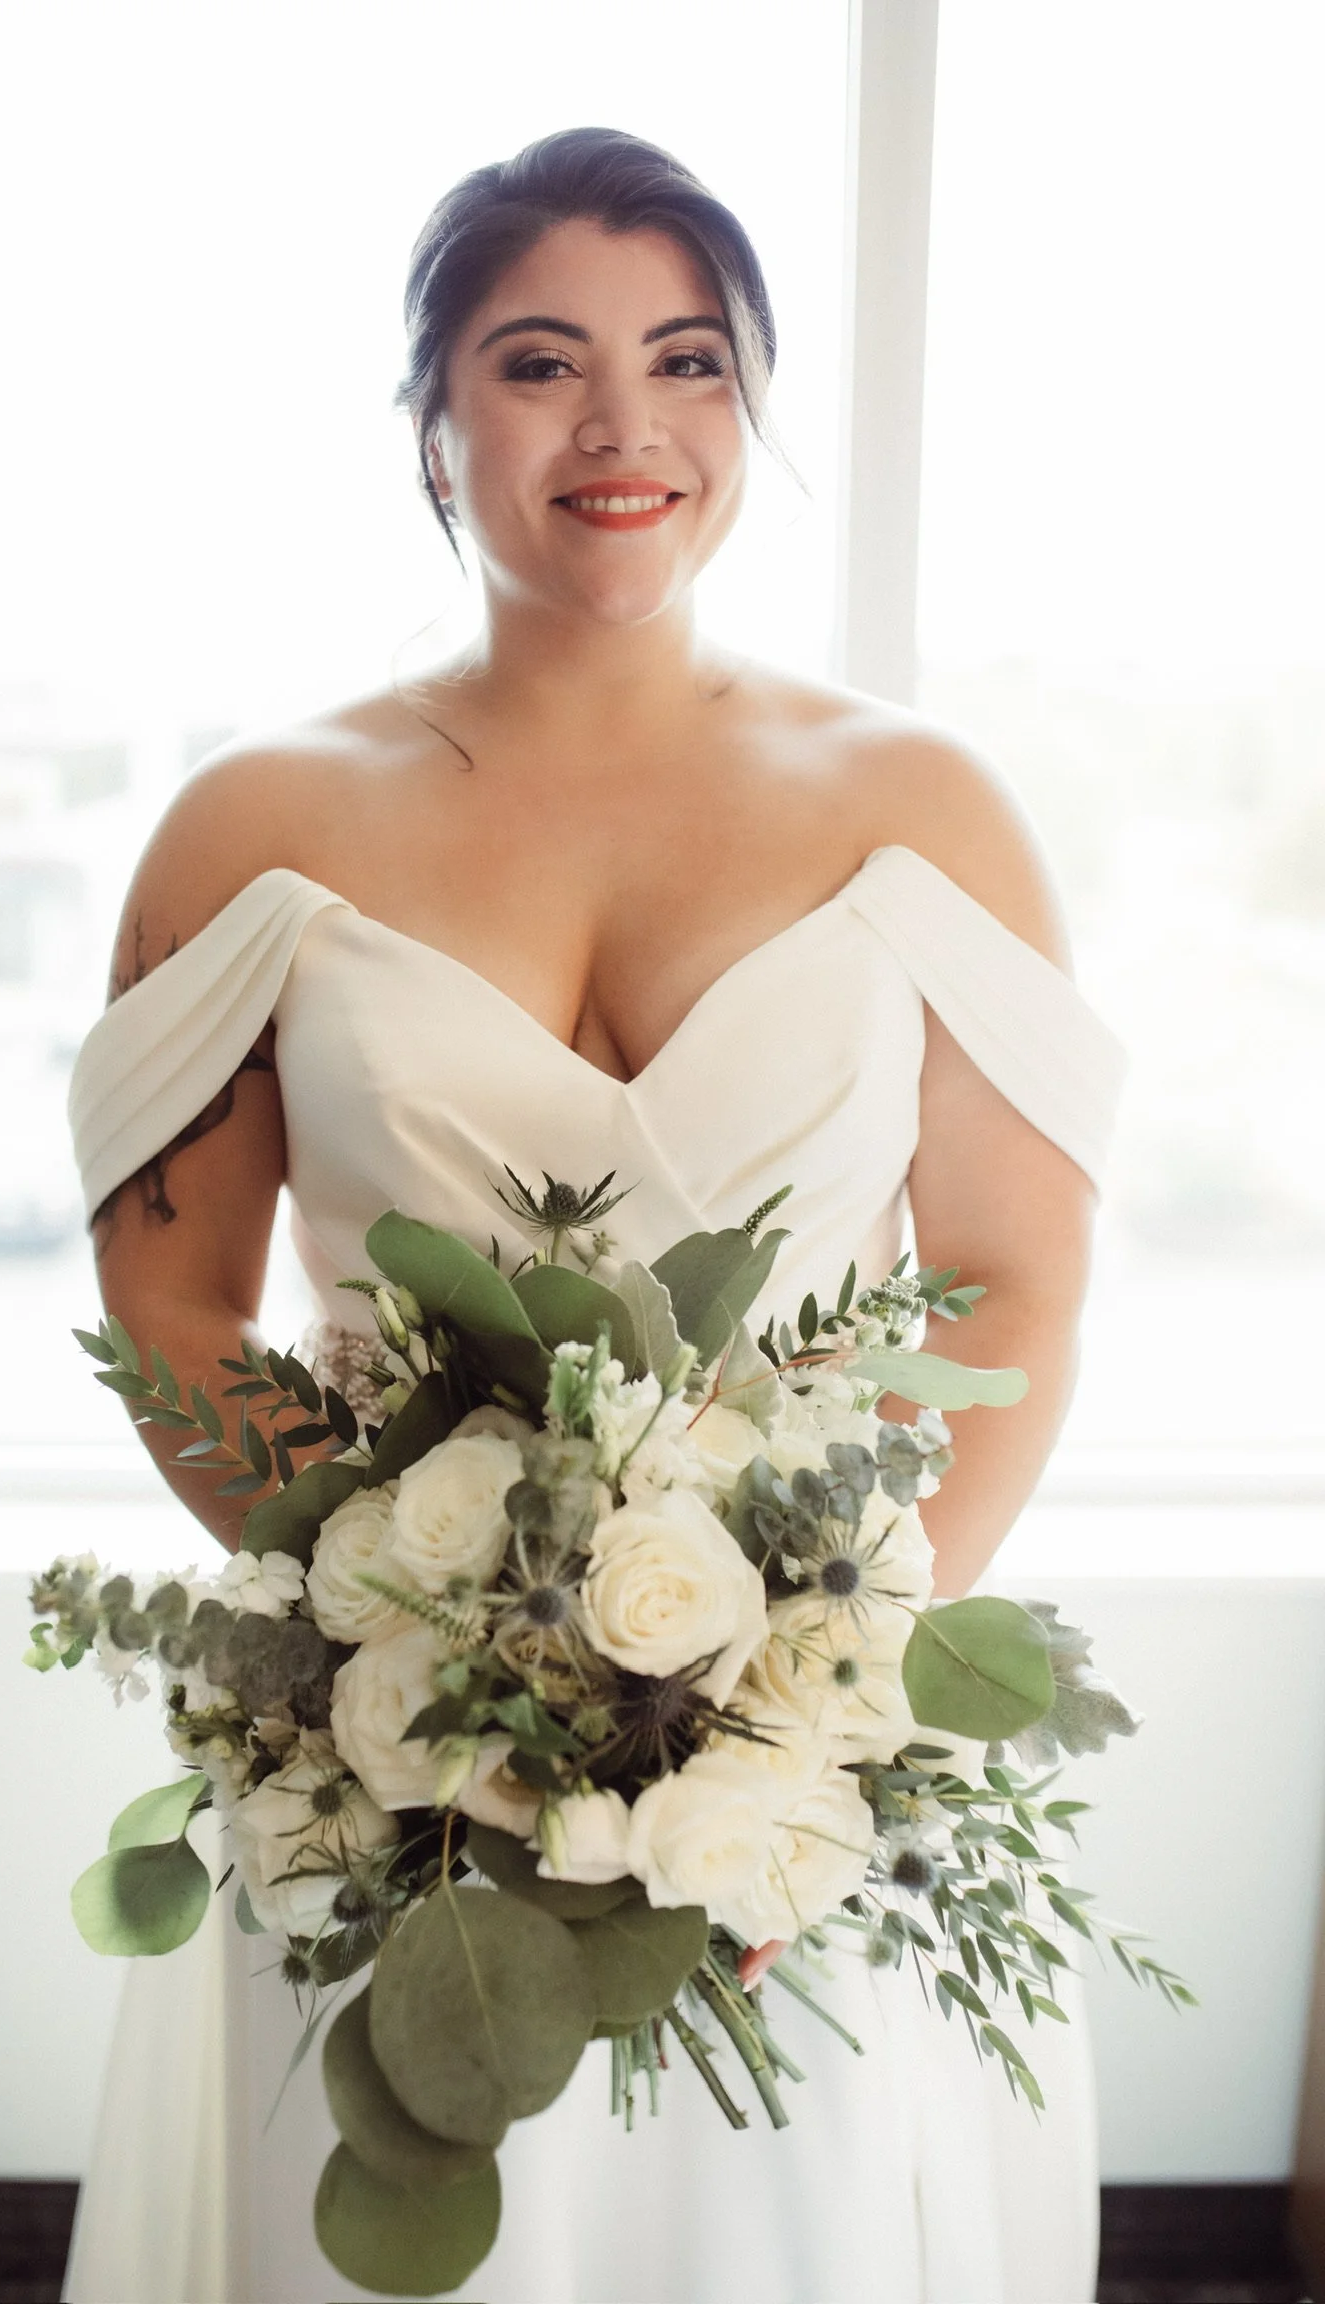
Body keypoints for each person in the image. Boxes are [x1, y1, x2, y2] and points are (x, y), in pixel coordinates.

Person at [63, 126, 1123, 2304]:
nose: (626, 426)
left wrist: (803, 1691)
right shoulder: (255, 829)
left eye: (692, 362)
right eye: (541, 362)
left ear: (748, 415)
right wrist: (415, 1663)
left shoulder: (925, 810)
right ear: (436, 423)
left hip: (796, 1790)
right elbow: (171, 1293)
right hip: (395, 1785)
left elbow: (1018, 1276)